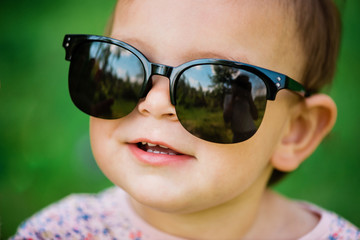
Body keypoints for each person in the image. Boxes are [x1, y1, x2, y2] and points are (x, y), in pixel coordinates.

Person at [12, 0, 360, 239]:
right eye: (123, 66)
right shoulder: (60, 230)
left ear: (295, 132)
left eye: (211, 87)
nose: (155, 102)